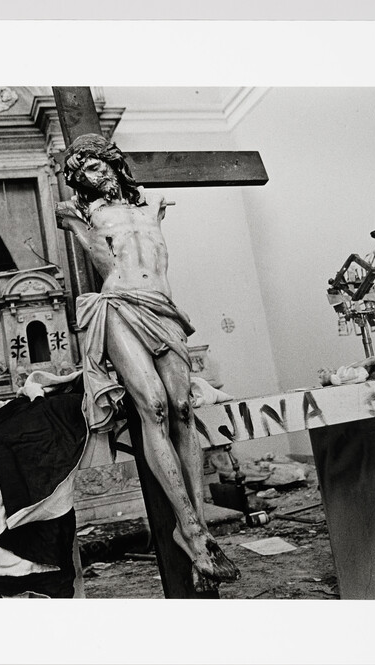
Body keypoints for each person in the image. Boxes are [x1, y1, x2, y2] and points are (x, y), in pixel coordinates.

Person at [56, 133, 239, 586]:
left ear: (112, 164)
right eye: (80, 175)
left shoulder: (150, 207)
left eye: (93, 167)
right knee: (154, 406)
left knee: (183, 409)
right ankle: (190, 529)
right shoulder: (79, 213)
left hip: (164, 307)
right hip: (119, 305)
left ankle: (196, 526)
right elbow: (99, 257)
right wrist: (79, 222)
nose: (89, 179)